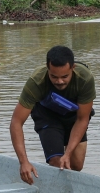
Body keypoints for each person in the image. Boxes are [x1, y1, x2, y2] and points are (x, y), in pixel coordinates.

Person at [10, 45, 95, 184]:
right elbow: (16, 122)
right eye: (54, 76)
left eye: (65, 77)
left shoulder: (85, 78)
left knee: (76, 165)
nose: (59, 81)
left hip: (73, 115)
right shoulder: (36, 82)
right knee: (58, 161)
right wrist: (23, 162)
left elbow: (82, 118)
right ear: (47, 68)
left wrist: (68, 154)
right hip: (47, 114)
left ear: (73, 67)